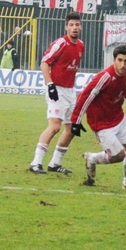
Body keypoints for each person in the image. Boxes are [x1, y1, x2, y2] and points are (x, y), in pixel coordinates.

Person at [71, 44, 126, 190]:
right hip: (102, 124)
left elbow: (121, 88)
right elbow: (85, 97)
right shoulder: (105, 77)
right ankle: (92, 158)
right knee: (118, 156)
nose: (123, 65)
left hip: (118, 116)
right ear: (114, 60)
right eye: (120, 60)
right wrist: (75, 121)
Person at [29, 12, 84, 175]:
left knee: (72, 129)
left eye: (77, 24)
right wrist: (50, 85)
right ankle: (36, 162)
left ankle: (55, 164)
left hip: (70, 91)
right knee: (54, 127)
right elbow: (44, 63)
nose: (74, 28)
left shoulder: (81, 45)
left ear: (80, 27)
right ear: (66, 27)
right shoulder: (60, 43)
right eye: (71, 25)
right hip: (57, 89)